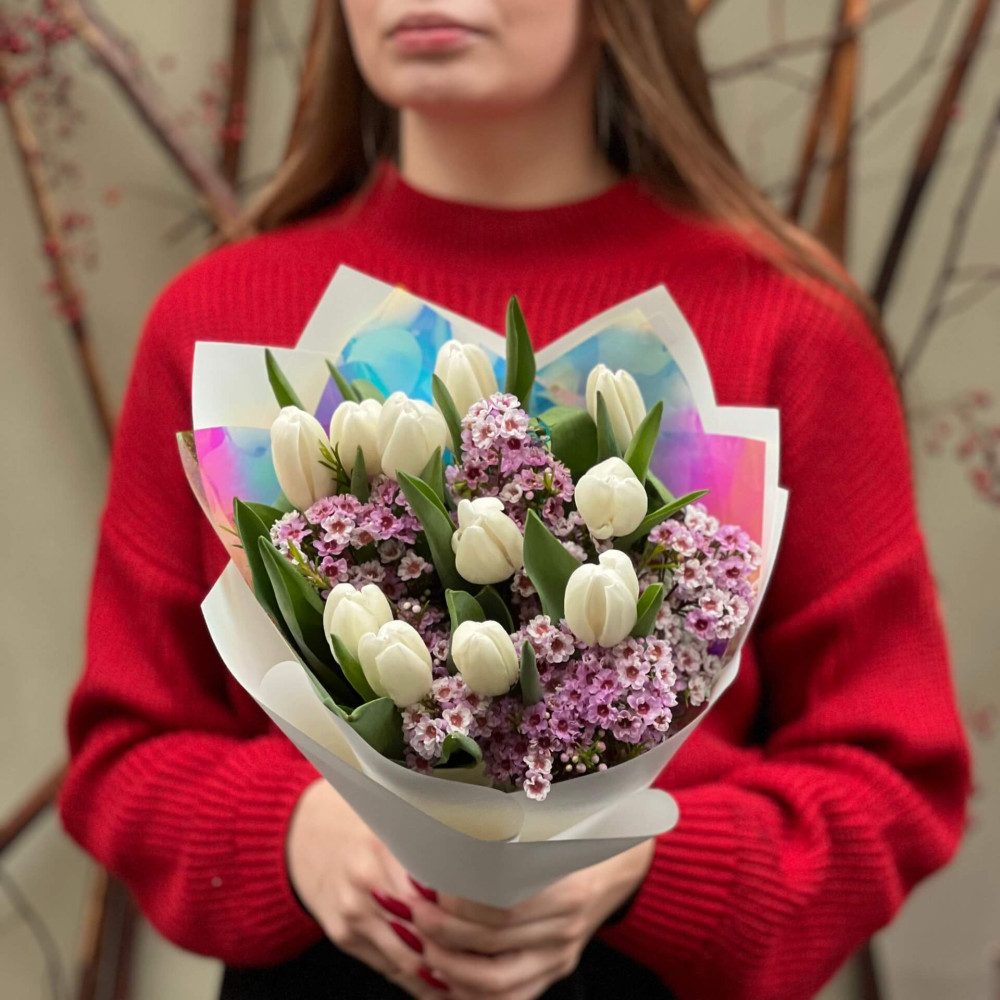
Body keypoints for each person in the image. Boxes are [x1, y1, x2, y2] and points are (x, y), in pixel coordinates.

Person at [59, 2, 971, 998]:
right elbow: (123, 756)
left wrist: (649, 865)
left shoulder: (785, 327)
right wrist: (289, 832)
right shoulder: (220, 319)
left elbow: (892, 779)